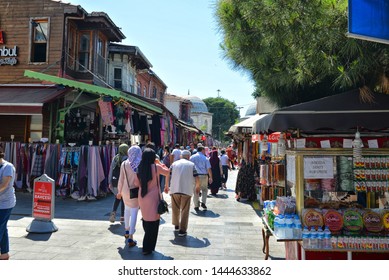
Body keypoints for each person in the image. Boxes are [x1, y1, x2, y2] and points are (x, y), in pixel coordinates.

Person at [137, 148, 170, 255]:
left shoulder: (140, 167)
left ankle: (148, 246)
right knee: (154, 222)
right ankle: (148, 247)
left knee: (146, 220)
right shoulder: (156, 167)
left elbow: (136, 182)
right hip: (154, 198)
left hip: (142, 197)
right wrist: (159, 162)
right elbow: (168, 171)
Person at [165, 150, 200, 237]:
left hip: (174, 188)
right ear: (188, 157)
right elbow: (197, 177)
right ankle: (182, 230)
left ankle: (176, 225)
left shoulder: (174, 164)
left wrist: (166, 185)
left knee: (175, 208)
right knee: (185, 210)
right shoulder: (191, 165)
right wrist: (197, 187)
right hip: (186, 189)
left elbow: (168, 174)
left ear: (181, 156)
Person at [116, 145, 142, 247]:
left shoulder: (124, 163)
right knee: (134, 212)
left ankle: (126, 230)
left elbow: (121, 179)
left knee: (127, 210)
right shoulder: (140, 163)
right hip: (135, 191)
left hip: (125, 191)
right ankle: (131, 236)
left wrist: (119, 191)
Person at [0, 150, 16, 260]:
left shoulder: (7, 167)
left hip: (6, 204)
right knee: (2, 228)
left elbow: (4, 185)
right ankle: (4, 254)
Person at [108, 143, 128, 223]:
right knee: (124, 199)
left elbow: (111, 171)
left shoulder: (115, 158)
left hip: (115, 181)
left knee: (117, 197)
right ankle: (122, 217)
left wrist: (110, 182)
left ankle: (113, 213)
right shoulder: (127, 159)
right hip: (124, 182)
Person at [190, 146, 212, 211]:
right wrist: (211, 177)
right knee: (204, 190)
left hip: (195, 176)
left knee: (196, 190)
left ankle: (196, 205)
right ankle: (203, 202)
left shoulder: (192, 157)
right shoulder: (205, 158)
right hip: (204, 176)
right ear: (202, 150)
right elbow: (208, 169)